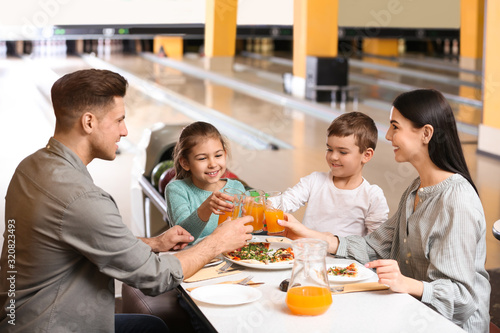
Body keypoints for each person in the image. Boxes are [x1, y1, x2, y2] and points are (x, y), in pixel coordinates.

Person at [0, 69, 253, 332]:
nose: (125, 130)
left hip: (21, 319)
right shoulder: (82, 198)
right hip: (56, 325)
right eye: (119, 120)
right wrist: (217, 242)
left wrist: (154, 243)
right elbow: (155, 277)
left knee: (151, 328)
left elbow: (82, 240)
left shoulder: (30, 168)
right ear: (88, 122)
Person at [279, 89, 490, 332]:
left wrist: (407, 283)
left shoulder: (457, 200)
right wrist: (309, 235)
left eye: (395, 127)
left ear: (426, 133)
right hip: (413, 311)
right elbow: (376, 246)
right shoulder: (416, 189)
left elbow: (462, 299)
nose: (388, 135)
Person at [282, 111, 389, 236]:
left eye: (343, 152)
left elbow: (376, 243)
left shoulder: (372, 196)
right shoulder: (314, 181)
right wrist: (260, 203)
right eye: (329, 149)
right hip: (308, 253)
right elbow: (285, 201)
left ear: (366, 155)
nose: (333, 156)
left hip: (345, 255)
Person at [165, 121, 246, 242]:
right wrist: (205, 209)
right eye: (202, 158)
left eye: (218, 156)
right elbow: (183, 238)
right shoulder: (177, 190)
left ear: (225, 154)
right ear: (185, 163)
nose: (213, 164)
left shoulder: (236, 187)